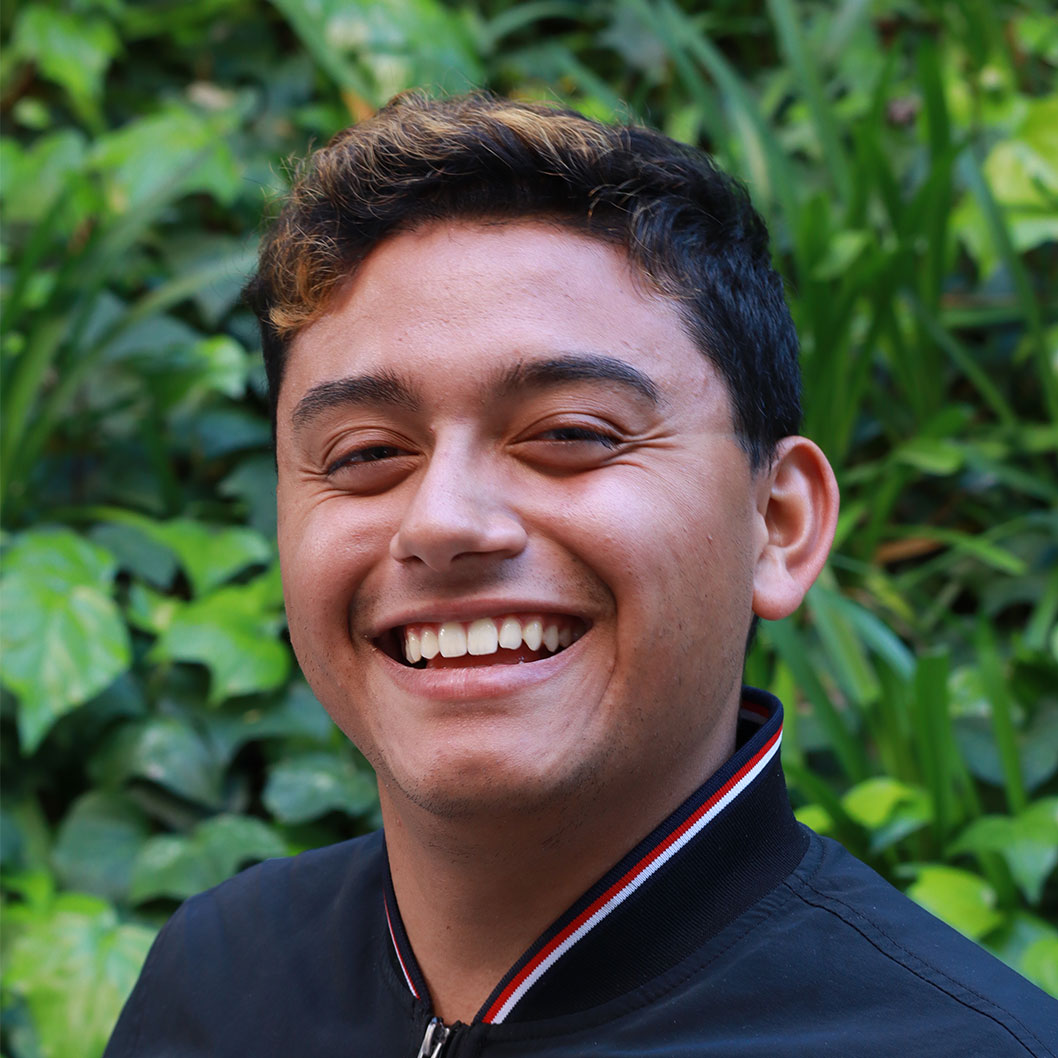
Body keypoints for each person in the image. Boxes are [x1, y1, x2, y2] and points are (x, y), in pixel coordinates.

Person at [105, 92, 1056, 1056]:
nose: (443, 523)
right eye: (363, 453)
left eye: (570, 433)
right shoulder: (218, 980)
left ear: (778, 523)